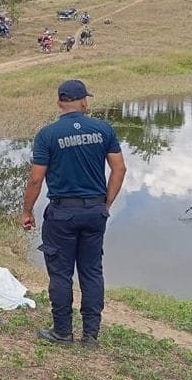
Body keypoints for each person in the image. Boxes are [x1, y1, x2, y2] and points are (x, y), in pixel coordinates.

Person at [20, 79, 126, 348]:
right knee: (91, 272)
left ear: (59, 102)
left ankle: (63, 332)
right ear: (84, 102)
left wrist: (27, 211)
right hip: (94, 211)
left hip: (62, 214)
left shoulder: (47, 134)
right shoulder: (103, 129)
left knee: (60, 274)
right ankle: (90, 335)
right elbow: (119, 169)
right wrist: (106, 204)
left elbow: (35, 179)